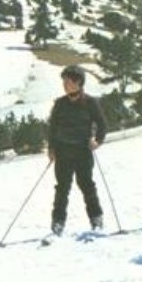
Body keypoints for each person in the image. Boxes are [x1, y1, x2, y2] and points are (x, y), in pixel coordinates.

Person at [47, 65, 107, 236]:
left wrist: (98, 141)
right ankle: (58, 223)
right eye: (63, 81)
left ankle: (96, 219)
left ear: (79, 82)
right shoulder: (59, 104)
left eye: (68, 81)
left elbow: (102, 124)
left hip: (83, 151)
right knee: (62, 188)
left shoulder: (90, 103)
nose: (65, 85)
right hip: (63, 151)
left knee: (87, 185)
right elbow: (52, 128)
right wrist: (51, 148)